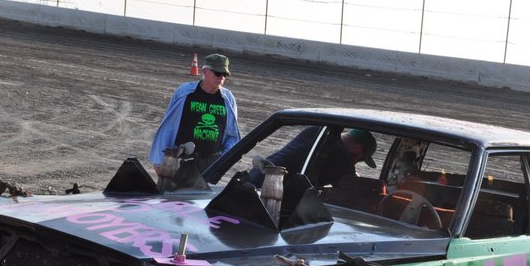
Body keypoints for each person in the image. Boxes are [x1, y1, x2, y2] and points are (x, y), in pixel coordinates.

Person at [148, 53, 240, 184]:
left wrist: (223, 160)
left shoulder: (228, 99)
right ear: (205, 72)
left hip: (211, 163)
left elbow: (232, 134)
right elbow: (168, 126)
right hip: (181, 159)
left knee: (203, 197)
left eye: (225, 74)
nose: (221, 77)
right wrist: (159, 160)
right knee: (171, 195)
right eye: (218, 73)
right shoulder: (184, 93)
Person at [247, 126, 377, 188]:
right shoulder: (342, 157)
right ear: (358, 149)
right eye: (361, 158)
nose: (356, 162)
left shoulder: (316, 131)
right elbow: (351, 189)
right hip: (270, 192)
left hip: (253, 179)